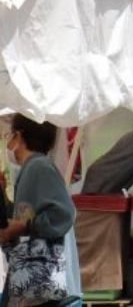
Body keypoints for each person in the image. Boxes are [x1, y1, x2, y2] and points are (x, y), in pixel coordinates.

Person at [0, 115, 76, 306]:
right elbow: (25, 213)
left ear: (19, 136)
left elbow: (63, 213)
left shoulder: (40, 166)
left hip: (39, 277)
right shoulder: (32, 167)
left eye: (10, 136)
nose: (9, 143)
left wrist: (25, 226)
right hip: (31, 278)